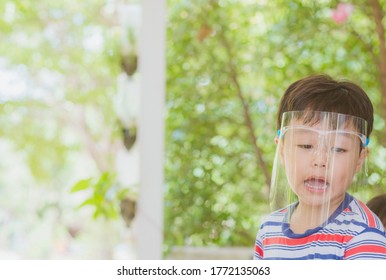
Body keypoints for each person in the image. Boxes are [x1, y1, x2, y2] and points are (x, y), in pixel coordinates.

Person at [254, 74, 386, 260]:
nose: (320, 161)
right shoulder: (269, 229)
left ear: (359, 160)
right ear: (282, 150)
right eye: (306, 145)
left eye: (339, 149)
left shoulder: (364, 235)